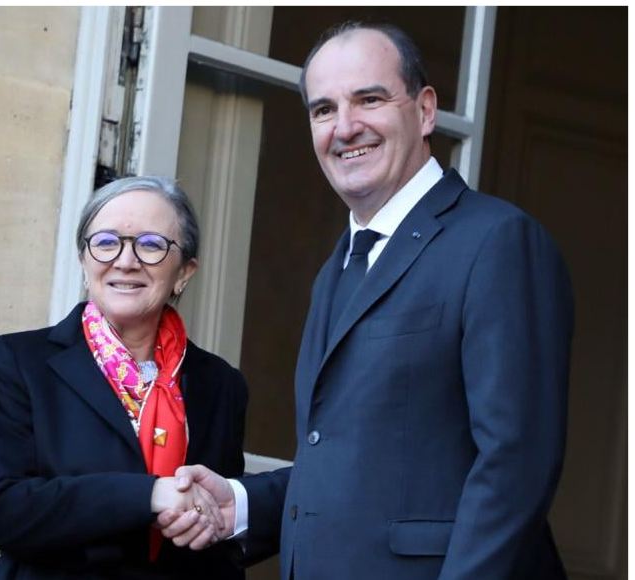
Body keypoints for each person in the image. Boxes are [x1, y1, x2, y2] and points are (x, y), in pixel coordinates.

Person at [157, 21, 574, 580]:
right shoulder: (339, 265)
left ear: (425, 110)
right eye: (323, 109)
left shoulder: (498, 241)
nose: (345, 127)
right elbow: (353, 463)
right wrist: (245, 506)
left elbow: (516, 464)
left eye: (369, 99)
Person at [0, 176, 248, 579]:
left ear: (184, 272)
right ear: (84, 261)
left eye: (150, 244)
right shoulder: (18, 361)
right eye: (105, 242)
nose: (125, 260)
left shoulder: (220, 384)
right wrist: (150, 494)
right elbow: (1, 509)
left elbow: (221, 528)